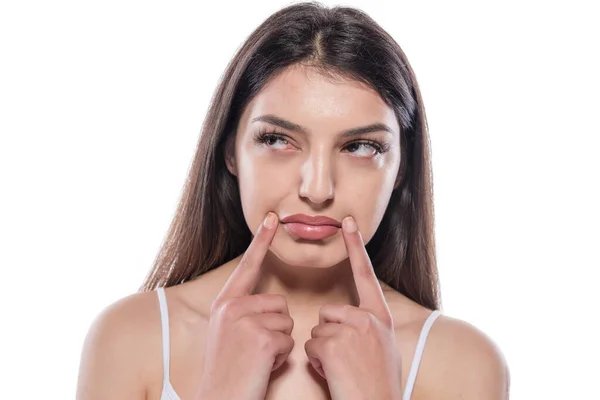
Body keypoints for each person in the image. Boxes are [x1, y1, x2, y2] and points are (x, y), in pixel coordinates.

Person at [76, 2, 510, 399]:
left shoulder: (463, 363)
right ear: (230, 150)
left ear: (401, 170)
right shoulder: (131, 339)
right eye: (277, 139)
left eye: (360, 147)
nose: (317, 188)